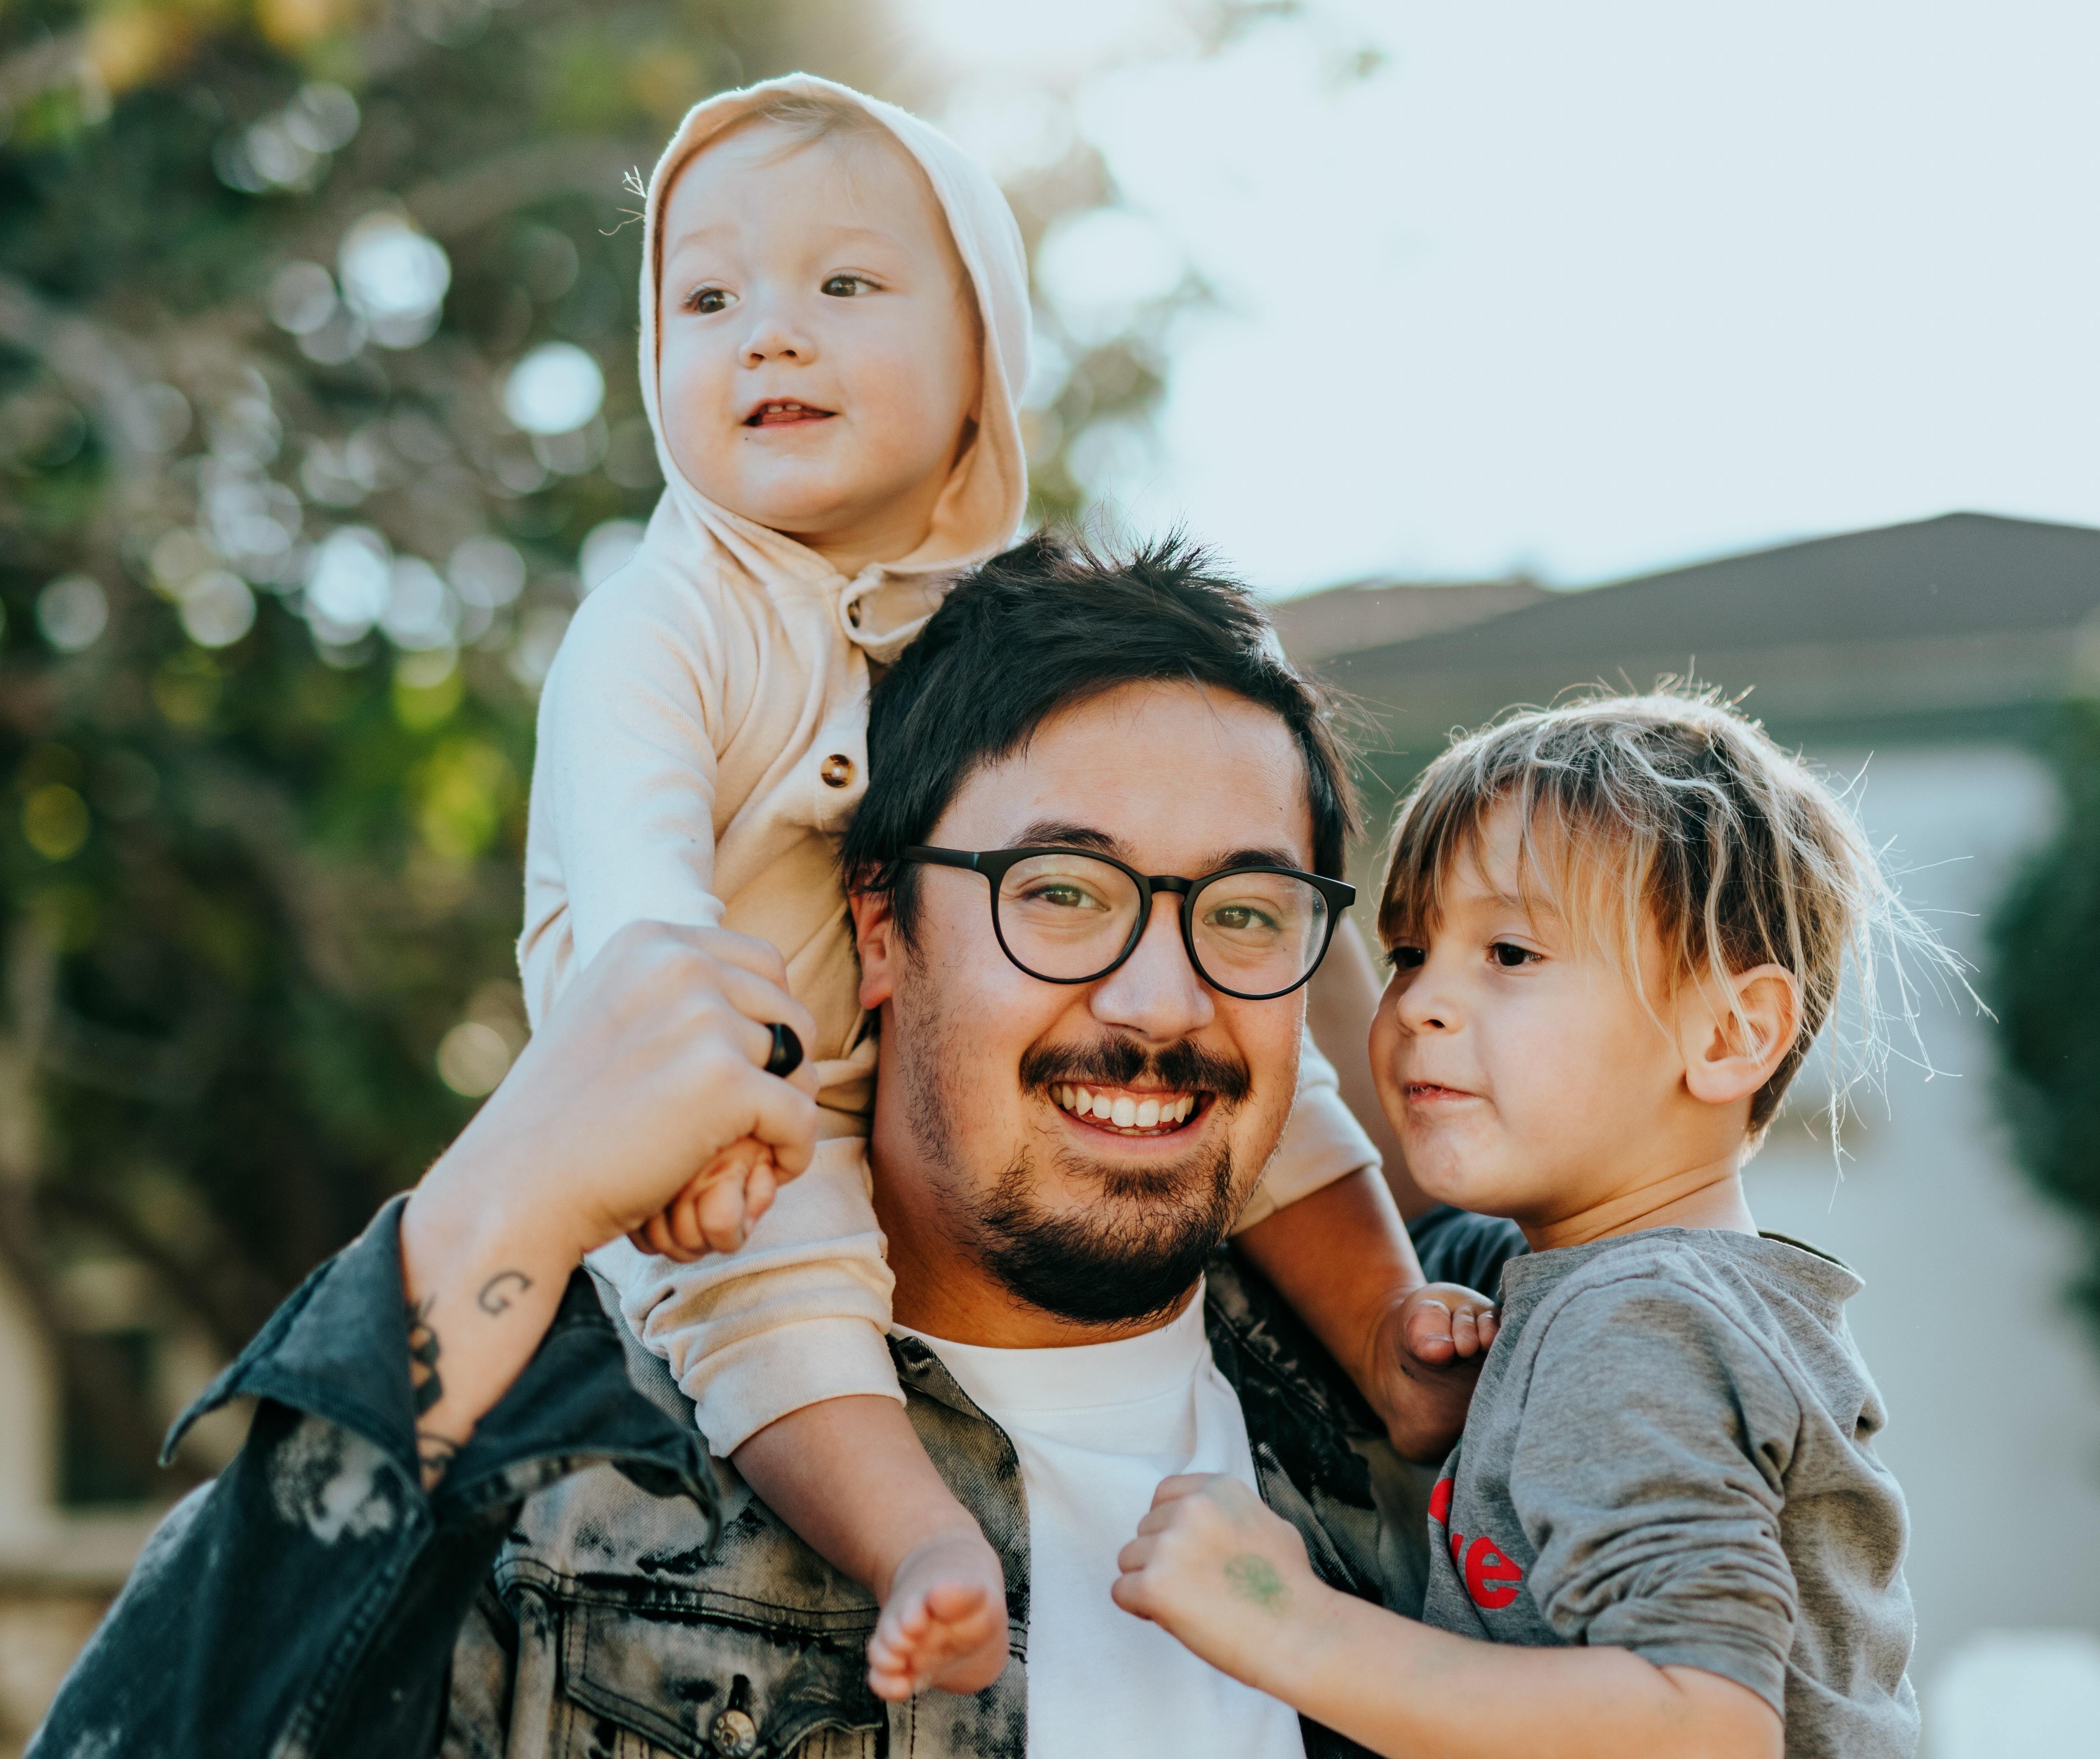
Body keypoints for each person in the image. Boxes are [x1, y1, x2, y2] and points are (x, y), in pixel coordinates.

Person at [32, 537, 1440, 1759]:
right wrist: (503, 1191)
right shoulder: (573, 1477)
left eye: (1247, 912)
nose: (1161, 1000)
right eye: (1061, 892)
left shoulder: (1475, 1416)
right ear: (879, 928)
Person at [518, 74, 1486, 1701]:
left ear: (982, 359)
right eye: (706, 299)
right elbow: (638, 910)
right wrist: (696, 1112)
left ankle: (1387, 1338)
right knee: (773, 1298)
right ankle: (916, 1541)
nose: (768, 334)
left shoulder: (1004, 630)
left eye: (842, 287)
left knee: (1276, 1083)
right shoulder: (663, 622)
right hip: (726, 1114)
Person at [1114, 694, 1933, 1759]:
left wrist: (1287, 1623)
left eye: (1508, 953)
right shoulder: (1595, 1290)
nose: (1416, 1005)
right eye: (1406, 952)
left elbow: (1704, 1726)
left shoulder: (1635, 1324)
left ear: (1732, 1033)